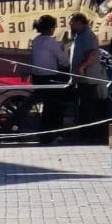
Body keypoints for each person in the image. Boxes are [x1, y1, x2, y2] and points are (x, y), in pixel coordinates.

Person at [30, 14, 69, 144]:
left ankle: (44, 135)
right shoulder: (50, 42)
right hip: (49, 78)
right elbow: (63, 61)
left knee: (48, 107)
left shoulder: (36, 41)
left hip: (37, 78)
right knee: (55, 107)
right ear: (51, 28)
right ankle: (53, 135)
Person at [68, 13, 105, 133]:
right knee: (83, 105)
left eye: (73, 22)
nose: (71, 25)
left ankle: (90, 133)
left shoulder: (88, 35)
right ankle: (85, 131)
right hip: (80, 77)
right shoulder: (78, 36)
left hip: (88, 76)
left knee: (88, 105)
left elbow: (93, 53)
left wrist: (83, 66)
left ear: (80, 23)